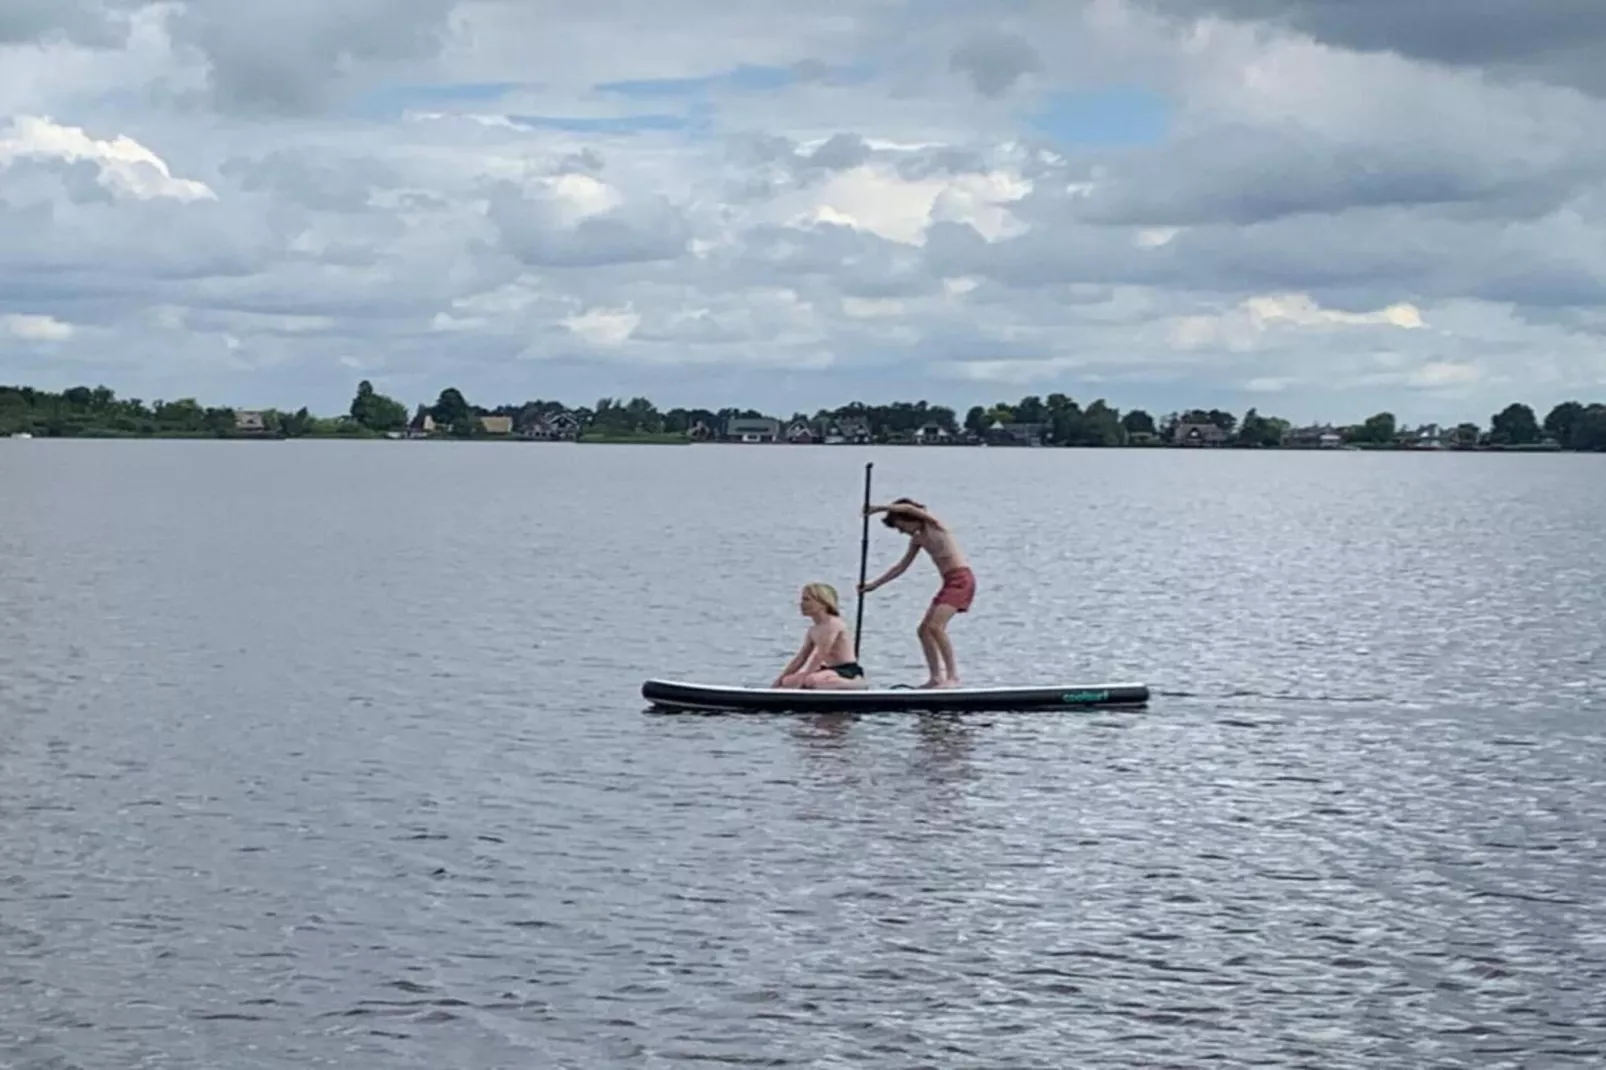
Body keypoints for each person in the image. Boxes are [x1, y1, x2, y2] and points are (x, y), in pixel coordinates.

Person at [858, 497, 975, 688]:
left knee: (936, 627)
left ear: (910, 519)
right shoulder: (918, 539)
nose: (901, 531)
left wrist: (879, 508)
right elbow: (901, 566)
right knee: (923, 631)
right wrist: (874, 585)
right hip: (948, 582)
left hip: (962, 580)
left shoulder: (935, 525)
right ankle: (936, 678)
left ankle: (953, 677)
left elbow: (909, 508)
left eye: (901, 526)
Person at [772, 582, 870, 689]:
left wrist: (806, 676)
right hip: (829, 670)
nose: (801, 604)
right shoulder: (813, 630)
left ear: (823, 603)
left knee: (811, 680)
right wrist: (779, 680)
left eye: (807, 600)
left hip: (846, 671)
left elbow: (821, 655)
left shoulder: (833, 624)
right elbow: (801, 658)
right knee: (787, 681)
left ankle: (858, 684)